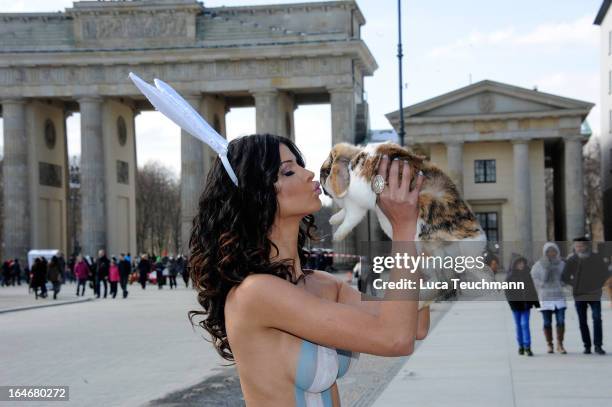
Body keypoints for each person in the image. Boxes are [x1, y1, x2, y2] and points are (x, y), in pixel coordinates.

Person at [187, 134, 430, 405]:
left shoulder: (322, 284)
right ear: (256, 195)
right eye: (288, 171)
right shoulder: (256, 293)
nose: (309, 173)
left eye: (300, 164)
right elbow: (395, 339)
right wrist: (403, 229)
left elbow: (415, 324)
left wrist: (424, 228)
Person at [562, 237, 610, 355]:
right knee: (582, 320)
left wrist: (598, 284)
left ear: (586, 246)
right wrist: (575, 284)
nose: (578, 248)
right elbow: (564, 277)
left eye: (580, 246)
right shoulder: (572, 260)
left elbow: (606, 273)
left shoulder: (596, 258)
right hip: (579, 294)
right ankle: (587, 345)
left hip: (594, 293)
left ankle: (598, 346)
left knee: (597, 318)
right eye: (576, 246)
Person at [530, 242, 567, 354]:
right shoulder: (539, 264)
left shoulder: (561, 264)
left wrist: (562, 283)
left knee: (560, 321)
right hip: (545, 296)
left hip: (559, 296)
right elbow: (534, 277)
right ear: (545, 252)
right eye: (549, 251)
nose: (552, 253)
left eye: (553, 251)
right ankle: (549, 344)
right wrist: (541, 283)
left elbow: (566, 276)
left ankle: (560, 344)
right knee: (547, 322)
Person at [505, 255, 540, 356]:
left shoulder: (527, 275)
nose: (521, 265)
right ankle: (520, 345)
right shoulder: (510, 276)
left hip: (526, 305)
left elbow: (532, 290)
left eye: (522, 263)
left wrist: (536, 304)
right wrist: (512, 304)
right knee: (518, 325)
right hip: (516, 306)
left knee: (525, 324)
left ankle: (527, 346)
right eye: (519, 263)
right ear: (515, 265)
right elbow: (508, 292)